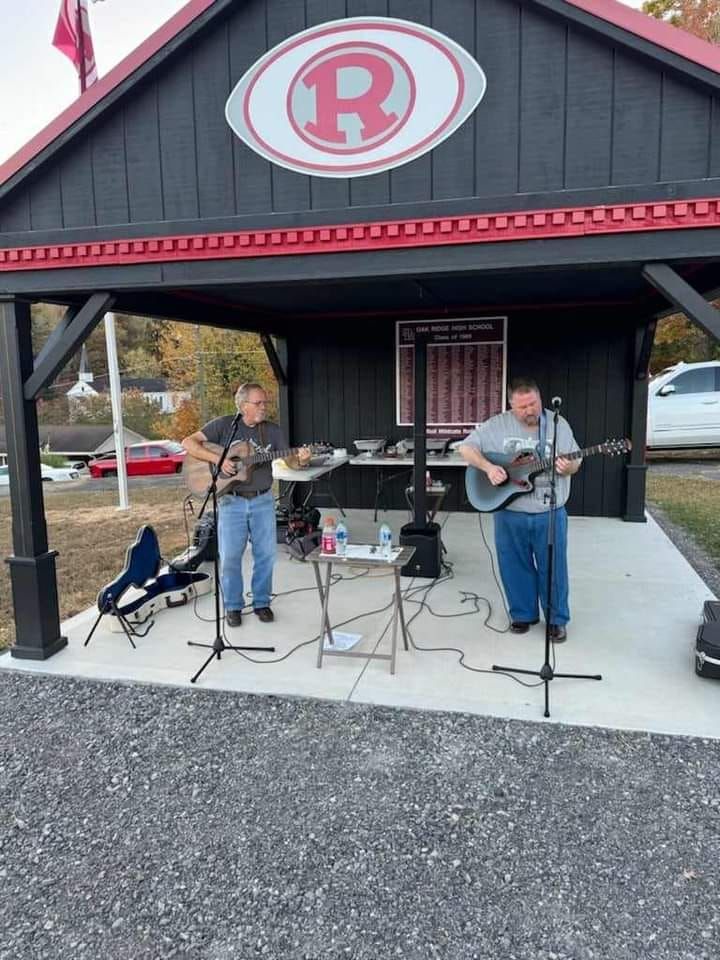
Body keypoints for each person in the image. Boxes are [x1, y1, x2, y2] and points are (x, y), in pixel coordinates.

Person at [459, 378, 581, 643]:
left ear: (540, 399)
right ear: (511, 405)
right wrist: (489, 468)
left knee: (554, 567)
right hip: (509, 510)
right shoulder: (497, 425)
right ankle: (523, 614)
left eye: (533, 404)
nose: (530, 410)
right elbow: (465, 448)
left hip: (549, 509)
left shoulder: (559, 424)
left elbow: (576, 459)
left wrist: (568, 467)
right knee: (513, 565)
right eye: (522, 406)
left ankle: (557, 620)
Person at [182, 382, 310, 627]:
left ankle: (261, 602)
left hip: (262, 500)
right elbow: (188, 442)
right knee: (230, 557)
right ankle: (233, 607)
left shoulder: (272, 431)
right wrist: (219, 459)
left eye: (265, 402)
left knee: (266, 555)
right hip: (231, 502)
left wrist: (302, 459)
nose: (264, 407)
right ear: (242, 406)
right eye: (258, 403)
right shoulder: (223, 425)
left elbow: (291, 462)